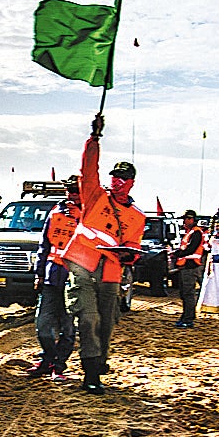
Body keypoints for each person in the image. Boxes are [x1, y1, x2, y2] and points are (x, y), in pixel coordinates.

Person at [61, 113, 146, 394]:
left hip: (111, 272)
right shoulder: (95, 195)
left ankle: (99, 362)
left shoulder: (137, 216)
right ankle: (91, 371)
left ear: (132, 182)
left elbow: (133, 245)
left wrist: (129, 255)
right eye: (115, 176)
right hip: (83, 265)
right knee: (88, 317)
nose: (117, 182)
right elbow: (88, 169)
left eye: (123, 179)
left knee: (106, 323)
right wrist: (94, 138)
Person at [29, 175, 81, 378]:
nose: (72, 194)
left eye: (76, 190)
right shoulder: (55, 213)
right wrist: (38, 274)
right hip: (52, 277)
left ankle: (58, 366)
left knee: (67, 327)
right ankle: (48, 359)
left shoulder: (89, 215)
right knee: (43, 323)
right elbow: (44, 245)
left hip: (75, 279)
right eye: (69, 190)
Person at [198, 227, 219, 314]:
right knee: (211, 282)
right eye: (217, 224)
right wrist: (210, 243)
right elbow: (205, 247)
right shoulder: (209, 235)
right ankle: (208, 305)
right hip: (212, 261)